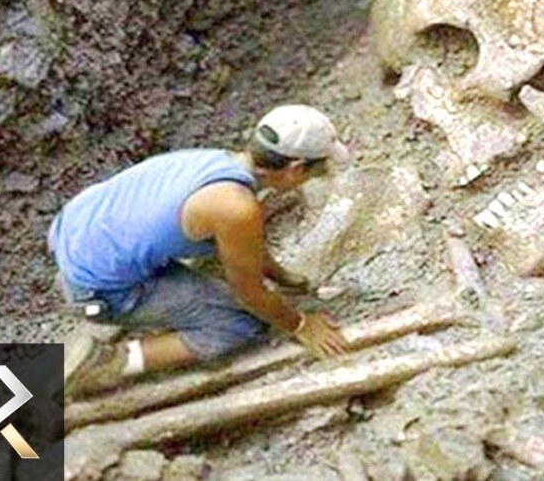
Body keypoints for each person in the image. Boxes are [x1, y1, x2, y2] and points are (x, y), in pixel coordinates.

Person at [51, 105, 352, 396]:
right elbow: (249, 294)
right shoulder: (236, 207)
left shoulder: (217, 161)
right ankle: (109, 362)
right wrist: (301, 325)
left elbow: (242, 242)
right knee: (241, 323)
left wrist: (281, 276)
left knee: (217, 264)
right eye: (315, 171)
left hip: (75, 236)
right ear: (295, 169)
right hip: (96, 291)